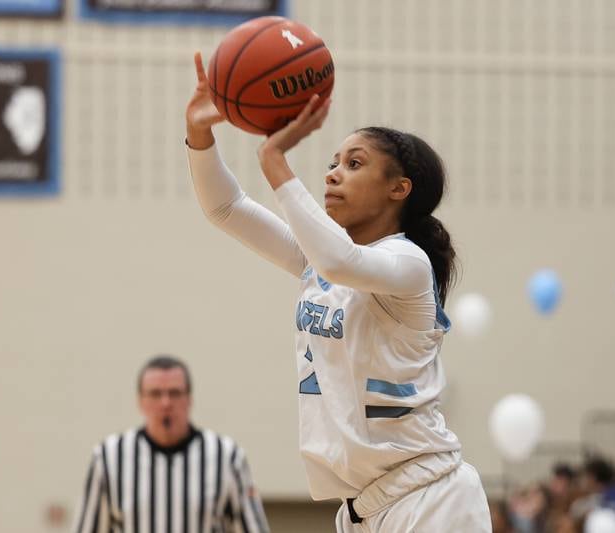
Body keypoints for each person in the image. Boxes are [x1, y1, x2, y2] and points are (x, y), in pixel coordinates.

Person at [185, 52, 491, 532]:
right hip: (361, 509)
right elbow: (225, 208)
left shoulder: (408, 262)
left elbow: (340, 261)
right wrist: (200, 136)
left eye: (353, 163)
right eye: (332, 163)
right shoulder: (321, 259)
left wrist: (274, 161)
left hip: (429, 498)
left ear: (399, 189)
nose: (332, 174)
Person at [72, 355, 269, 533]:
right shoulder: (108, 458)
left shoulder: (227, 457)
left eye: (174, 393)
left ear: (189, 399)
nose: (165, 403)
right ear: (140, 400)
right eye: (155, 394)